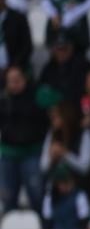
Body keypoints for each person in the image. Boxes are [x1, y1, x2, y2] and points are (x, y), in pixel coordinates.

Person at [1, 65, 51, 212]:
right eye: (11, 81)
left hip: (31, 153)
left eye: (17, 80)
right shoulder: (3, 100)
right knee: (7, 198)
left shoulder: (37, 96)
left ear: (25, 80)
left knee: (37, 196)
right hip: (8, 154)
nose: (14, 84)